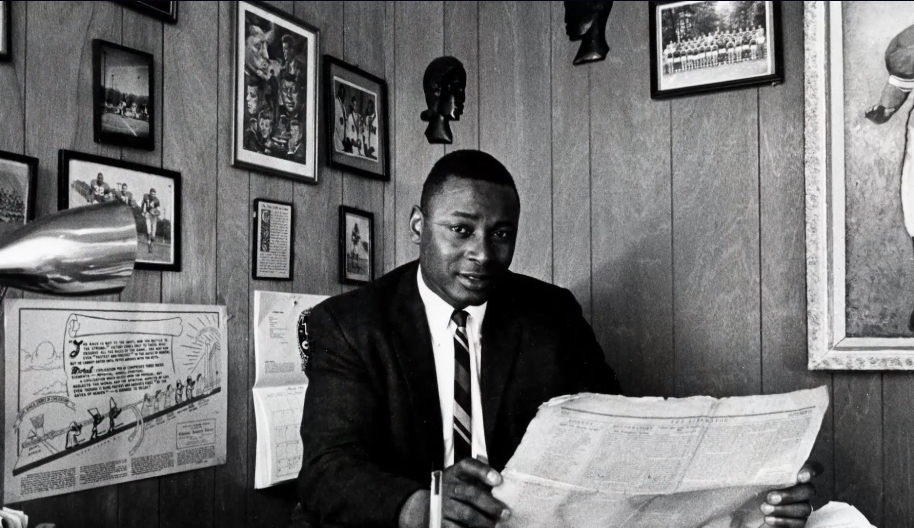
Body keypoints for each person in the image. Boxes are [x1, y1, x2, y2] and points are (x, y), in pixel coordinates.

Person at [297, 150, 819, 528]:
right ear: (419, 223)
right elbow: (327, 472)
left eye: (501, 234)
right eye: (460, 230)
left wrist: (755, 496)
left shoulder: (550, 314)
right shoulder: (349, 325)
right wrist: (424, 507)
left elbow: (624, 436)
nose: (483, 253)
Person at [141, 188, 160, 254]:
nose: (153, 195)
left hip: (154, 216)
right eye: (152, 194)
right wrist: (142, 211)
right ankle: (149, 245)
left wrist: (155, 213)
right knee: (148, 230)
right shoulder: (146, 196)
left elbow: (158, 211)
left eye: (154, 194)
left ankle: (151, 245)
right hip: (148, 214)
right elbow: (143, 203)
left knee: (153, 233)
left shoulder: (157, 200)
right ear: (150, 193)